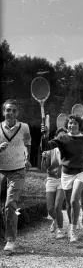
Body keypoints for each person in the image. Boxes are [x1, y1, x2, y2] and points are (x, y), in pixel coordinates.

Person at [41, 114, 83, 243]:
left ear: (79, 125)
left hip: (81, 172)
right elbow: (46, 147)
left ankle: (73, 231)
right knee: (70, 204)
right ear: (67, 125)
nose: (72, 125)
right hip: (66, 174)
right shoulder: (62, 137)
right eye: (70, 123)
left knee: (75, 200)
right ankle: (71, 225)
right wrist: (45, 135)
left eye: (75, 123)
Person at [0, 99, 32, 252]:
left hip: (18, 170)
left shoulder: (24, 127)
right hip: (1, 170)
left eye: (13, 110)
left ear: (17, 113)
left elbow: (27, 144)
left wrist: (27, 158)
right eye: (8, 110)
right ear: (3, 112)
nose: (10, 113)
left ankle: (10, 240)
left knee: (10, 204)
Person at [41, 127, 67, 240]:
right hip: (51, 179)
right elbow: (43, 169)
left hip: (63, 179)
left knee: (57, 207)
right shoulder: (49, 150)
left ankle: (60, 230)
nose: (61, 139)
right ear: (56, 138)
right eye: (59, 137)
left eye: (64, 137)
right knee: (50, 208)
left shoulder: (69, 151)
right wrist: (43, 158)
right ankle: (56, 220)